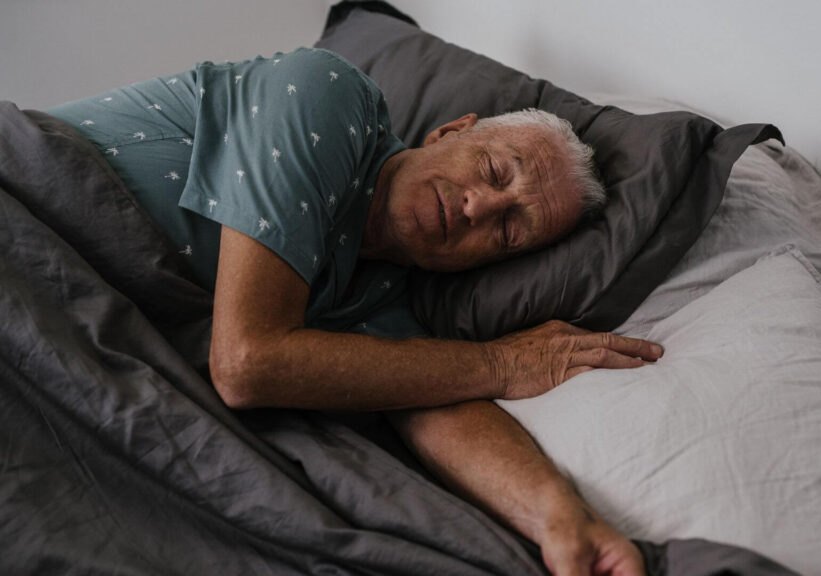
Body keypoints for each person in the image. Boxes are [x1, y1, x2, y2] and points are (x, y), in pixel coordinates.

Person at [48, 47, 662, 575]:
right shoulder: (326, 95)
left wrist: (561, 518)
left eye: (508, 232)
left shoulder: (378, 301)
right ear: (451, 131)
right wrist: (501, 364)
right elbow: (247, 362)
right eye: (495, 170)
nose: (479, 208)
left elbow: (435, 401)